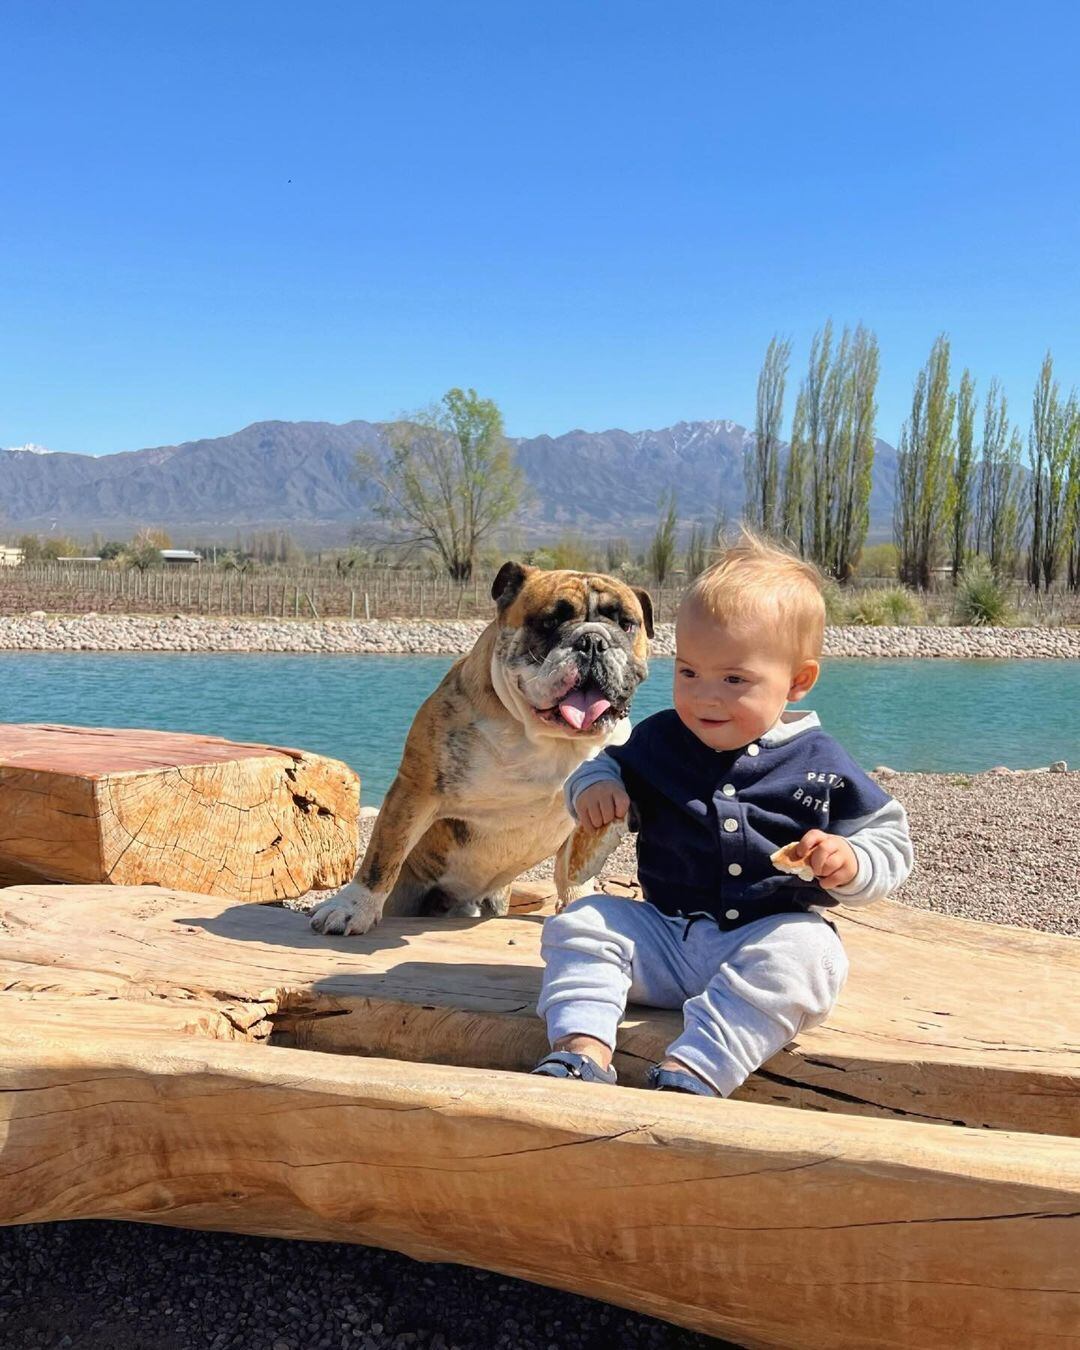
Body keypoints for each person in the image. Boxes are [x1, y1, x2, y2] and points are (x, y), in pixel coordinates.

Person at [531, 533, 913, 1095]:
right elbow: (600, 767)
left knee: (813, 954)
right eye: (688, 673)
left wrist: (851, 861)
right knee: (583, 923)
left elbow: (890, 839)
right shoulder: (662, 738)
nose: (706, 697)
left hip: (762, 938)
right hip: (662, 936)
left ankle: (698, 1067)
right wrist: (595, 789)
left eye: (734, 680)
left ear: (798, 680)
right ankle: (582, 1049)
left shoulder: (818, 760)